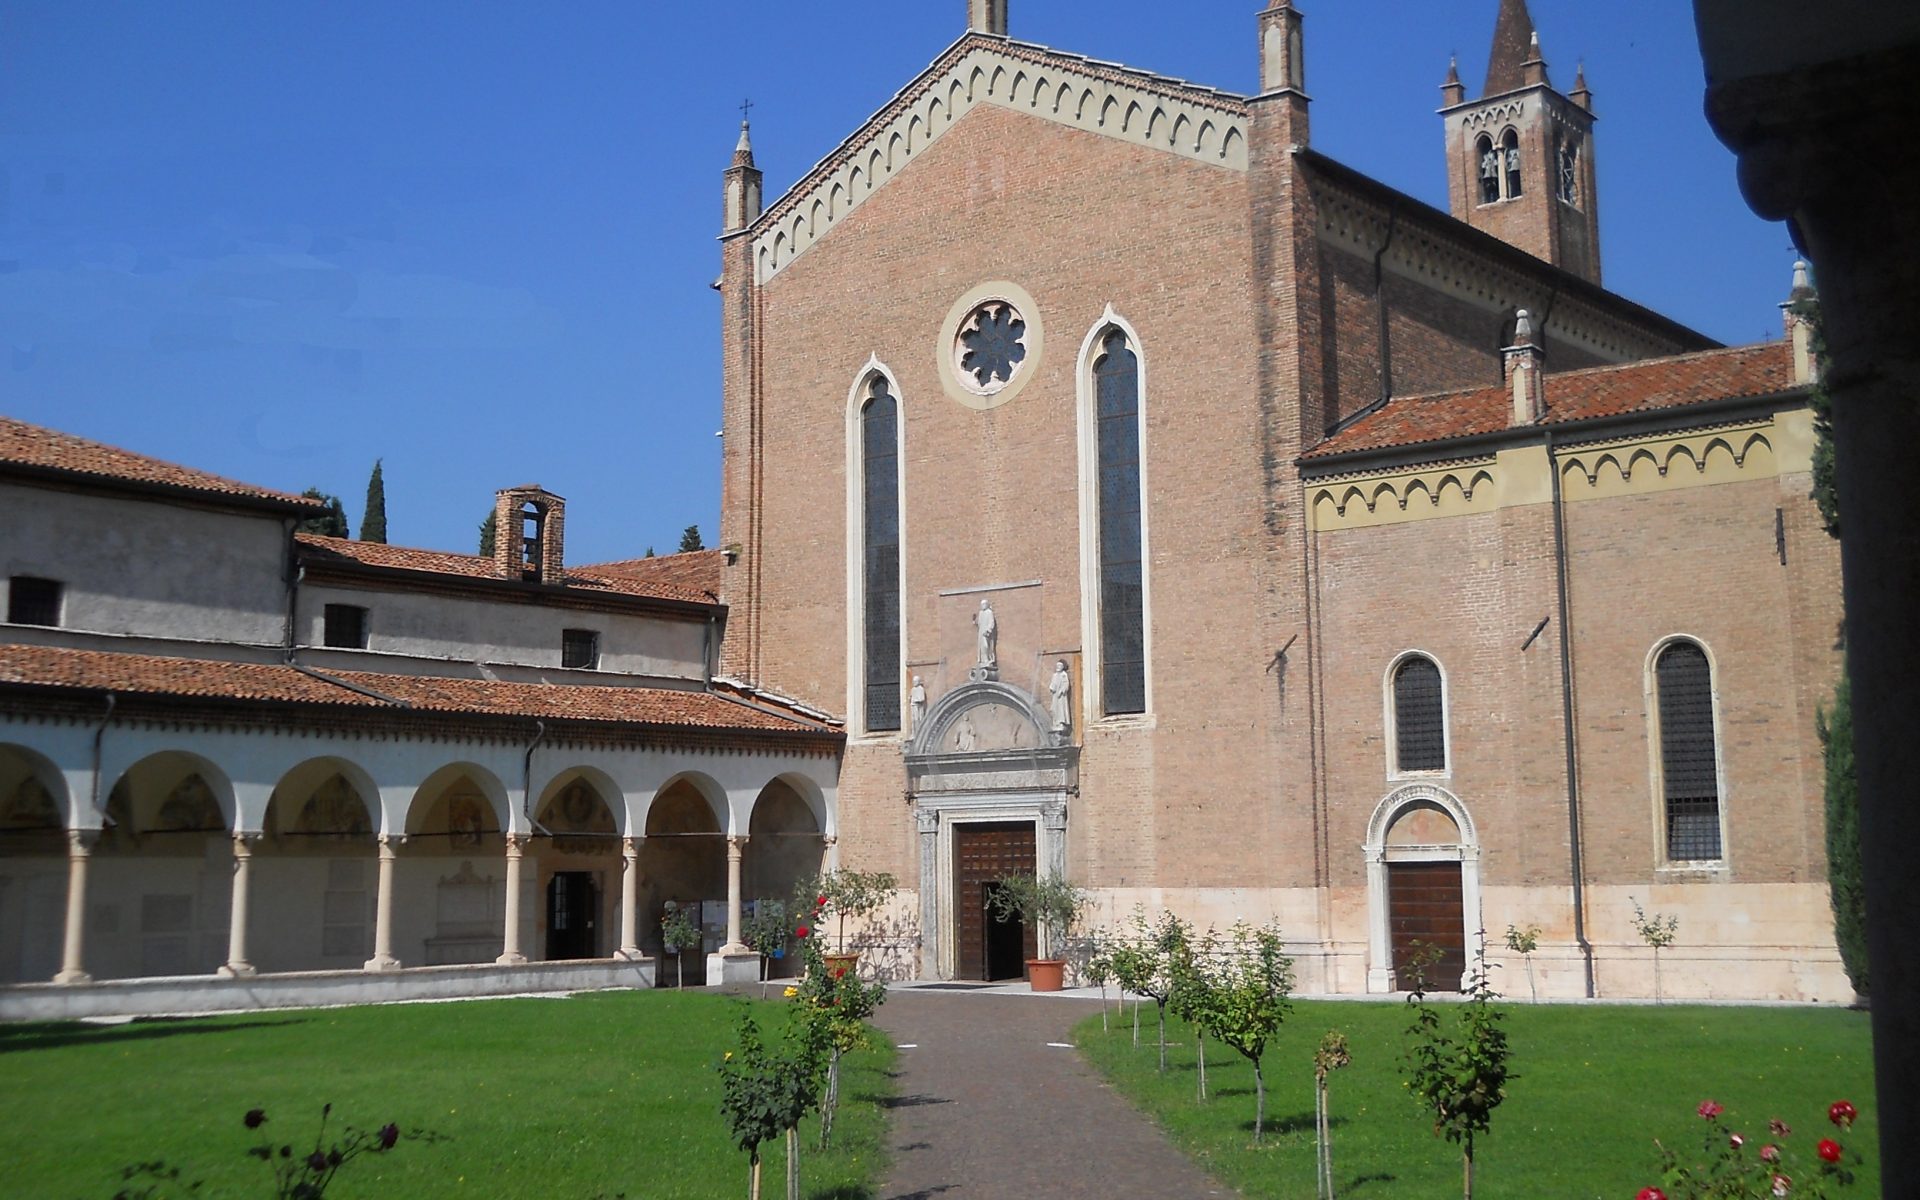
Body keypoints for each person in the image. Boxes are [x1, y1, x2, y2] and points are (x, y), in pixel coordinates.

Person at [1049, 660, 1072, 732]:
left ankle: (1061, 723)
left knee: (1061, 709)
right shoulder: (1055, 675)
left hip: (1061, 697)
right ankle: (1055, 723)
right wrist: (1052, 688)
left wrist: (1061, 691)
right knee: (1054, 708)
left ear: (1063, 667)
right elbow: (1052, 683)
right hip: (1055, 695)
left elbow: (1066, 685)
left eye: (1059, 666)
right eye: (1057, 666)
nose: (1058, 667)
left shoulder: (1064, 675)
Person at [974, 599, 997, 669]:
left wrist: (988, 630)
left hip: (986, 632)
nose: (983, 606)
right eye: (982, 604)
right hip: (981, 632)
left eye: (984, 604)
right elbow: (979, 623)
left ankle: (988, 659)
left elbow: (991, 622)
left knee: (986, 646)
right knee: (981, 647)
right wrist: (975, 621)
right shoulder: (981, 613)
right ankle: (983, 660)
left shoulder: (989, 612)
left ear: (987, 605)